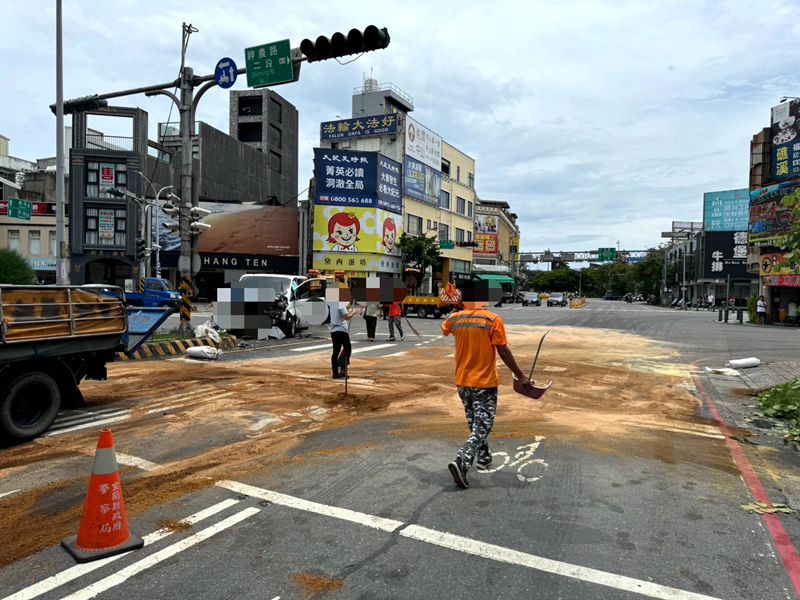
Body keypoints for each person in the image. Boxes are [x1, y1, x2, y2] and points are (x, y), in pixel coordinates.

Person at [441, 282, 530, 489]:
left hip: (463, 381)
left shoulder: (455, 319)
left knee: (475, 422)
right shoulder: (492, 319)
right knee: (483, 425)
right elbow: (503, 350)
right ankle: (462, 460)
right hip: (484, 382)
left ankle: (484, 457)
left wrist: (458, 307)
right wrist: (520, 376)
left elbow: (445, 327)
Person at [328, 287, 358, 379]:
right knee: (347, 349)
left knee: (336, 352)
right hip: (341, 330)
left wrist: (350, 312)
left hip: (334, 331)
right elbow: (346, 317)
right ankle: (342, 369)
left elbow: (342, 314)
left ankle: (335, 372)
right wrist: (353, 312)